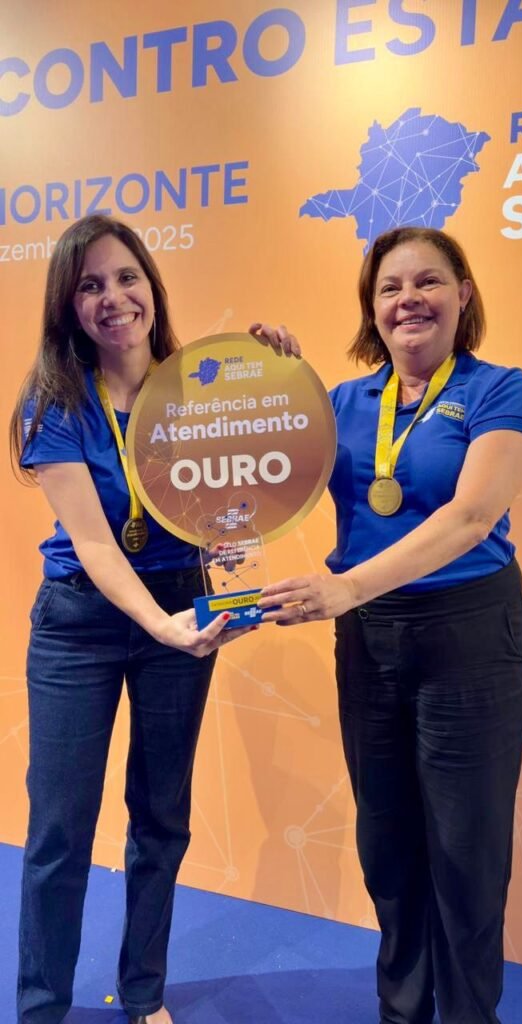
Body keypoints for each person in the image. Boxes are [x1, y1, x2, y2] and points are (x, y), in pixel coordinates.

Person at [9, 213, 298, 1024]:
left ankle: (142, 996)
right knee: (60, 828)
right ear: (68, 306)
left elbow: (249, 482)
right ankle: (40, 1009)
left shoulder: (198, 387)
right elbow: (97, 547)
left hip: (181, 600)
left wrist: (272, 376)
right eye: (90, 286)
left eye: (126, 277)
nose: (113, 298)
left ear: (152, 286)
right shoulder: (55, 400)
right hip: (80, 621)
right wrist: (161, 624)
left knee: (161, 817)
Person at [259, 227, 522, 1024]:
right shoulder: (342, 405)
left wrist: (346, 587)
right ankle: (402, 1013)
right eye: (390, 287)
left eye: (428, 282)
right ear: (371, 307)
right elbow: (261, 477)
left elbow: (472, 515)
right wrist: (270, 390)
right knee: (387, 848)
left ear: (463, 294)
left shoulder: (499, 389)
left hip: (469, 636)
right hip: (370, 640)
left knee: (466, 856)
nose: (408, 299)